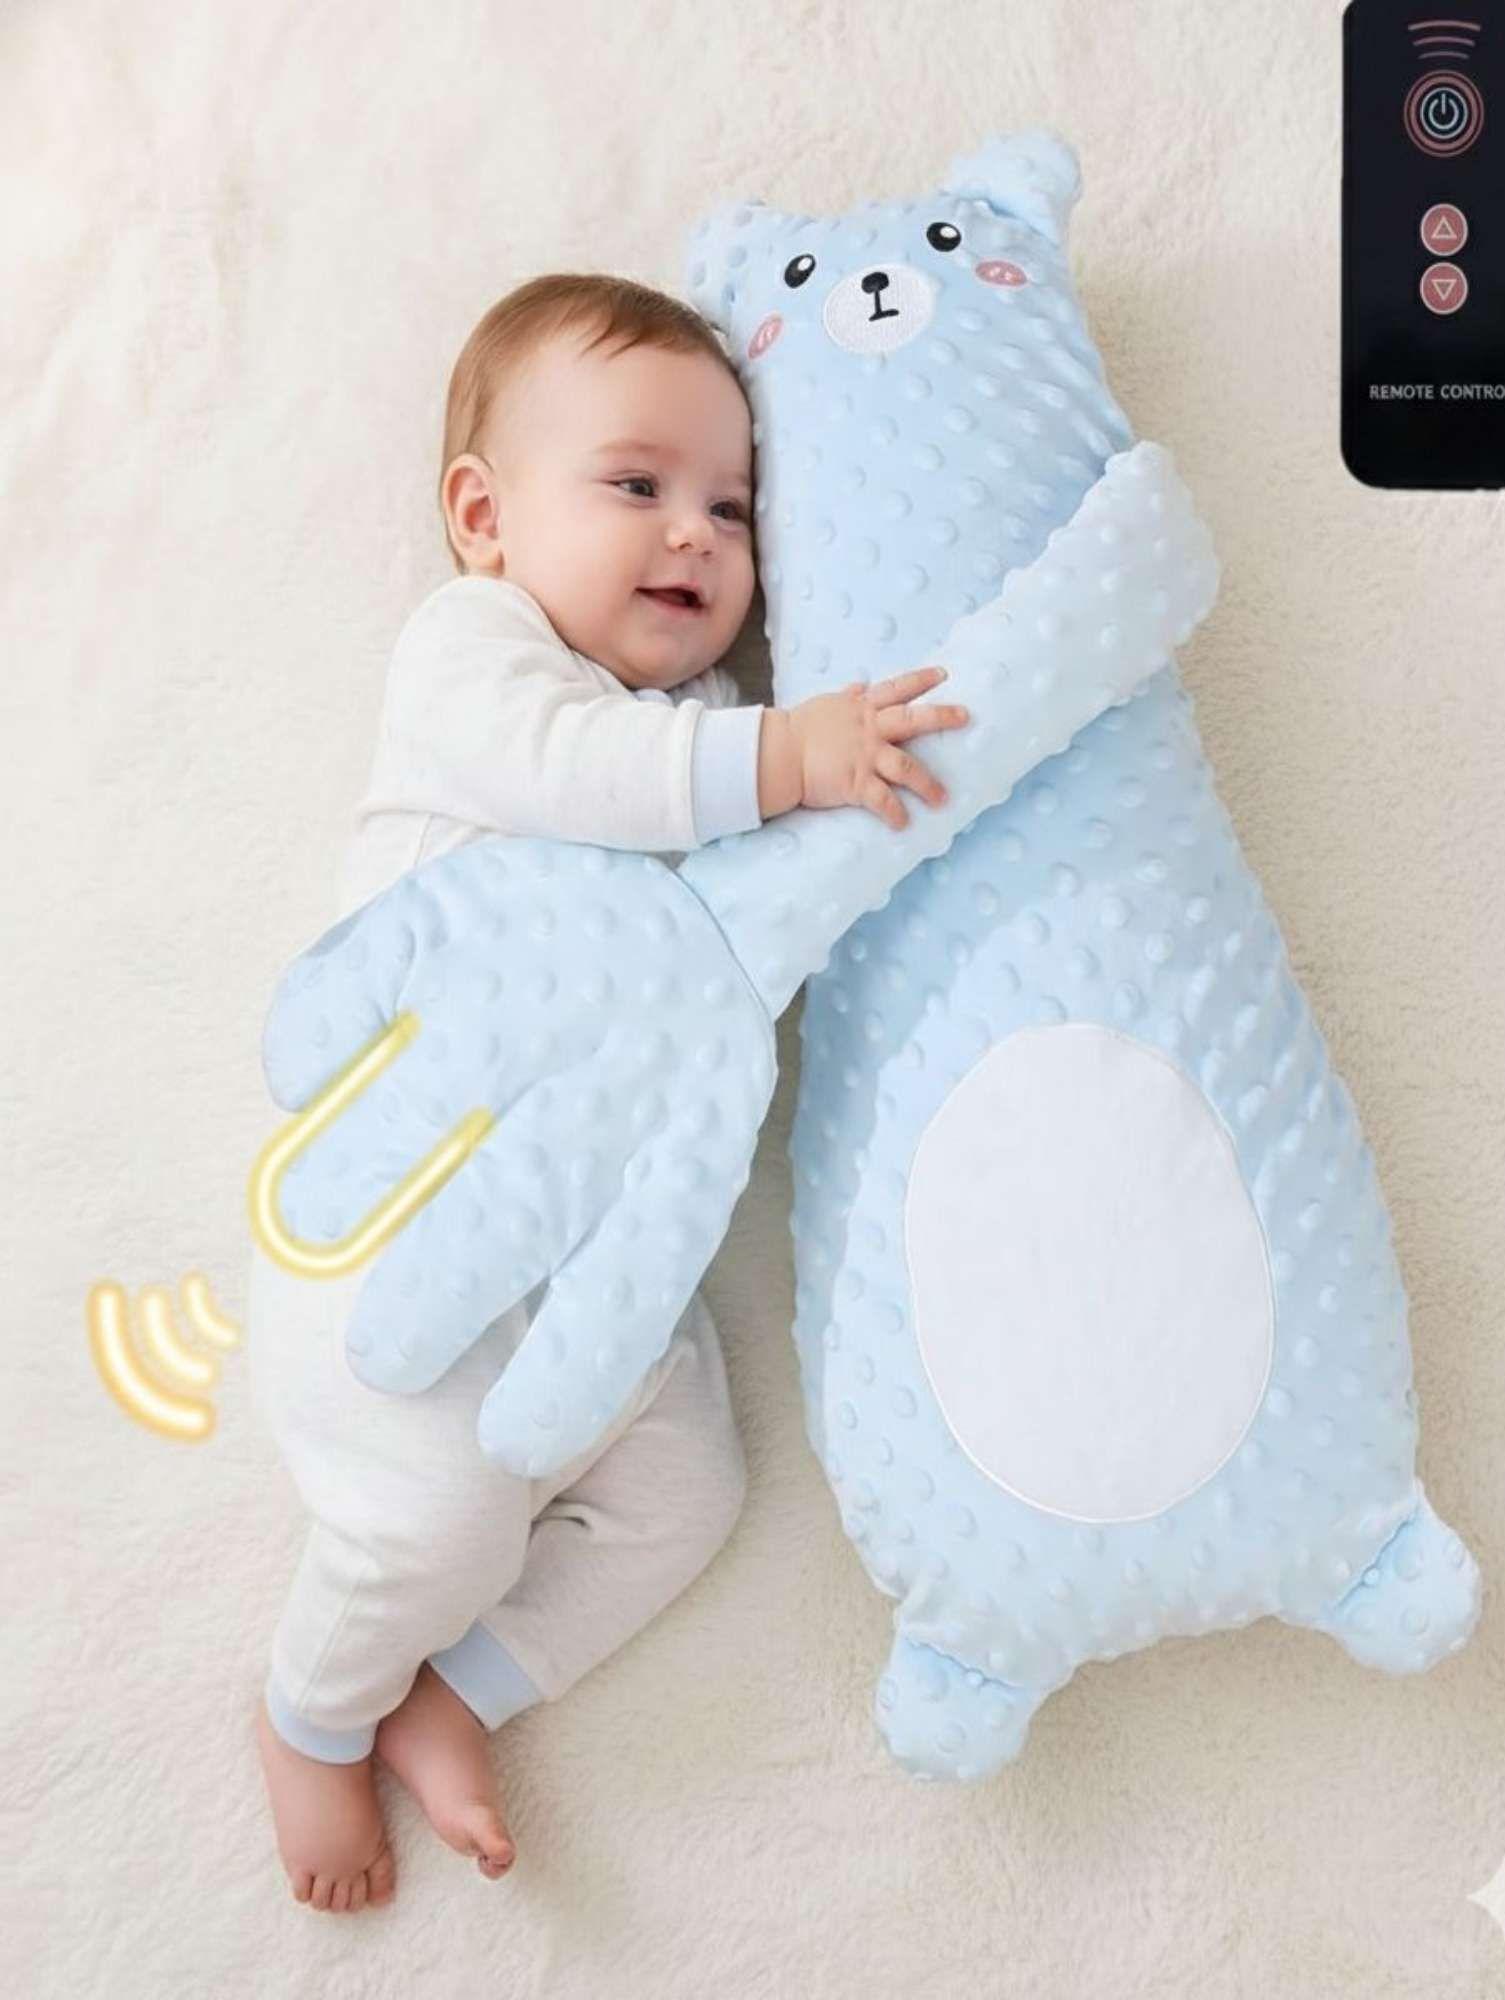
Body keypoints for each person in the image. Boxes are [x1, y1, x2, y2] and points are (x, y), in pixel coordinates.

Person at [251, 270, 969, 1913]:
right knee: (432, 1521)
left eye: (734, 507)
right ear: (483, 518)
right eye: (637, 485)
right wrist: (788, 758)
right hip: (395, 1230)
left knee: (690, 1491)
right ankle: (314, 1710)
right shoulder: (477, 658)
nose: (697, 536)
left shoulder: (702, 718)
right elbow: (593, 783)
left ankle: (459, 1694)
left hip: (597, 1265)